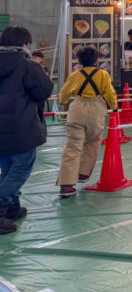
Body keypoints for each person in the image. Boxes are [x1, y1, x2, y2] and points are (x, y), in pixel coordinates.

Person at [0, 26, 53, 234]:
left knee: (7, 168)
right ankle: (2, 205)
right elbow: (45, 90)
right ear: (24, 44)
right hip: (20, 126)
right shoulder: (27, 66)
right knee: (20, 168)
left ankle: (11, 208)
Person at [56, 47, 118, 198]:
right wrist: (114, 107)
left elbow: (64, 96)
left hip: (77, 108)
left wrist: (63, 101)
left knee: (72, 146)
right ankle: (82, 173)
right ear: (97, 61)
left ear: (79, 61)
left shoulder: (74, 75)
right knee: (93, 142)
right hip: (96, 109)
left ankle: (66, 185)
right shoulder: (103, 74)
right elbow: (110, 93)